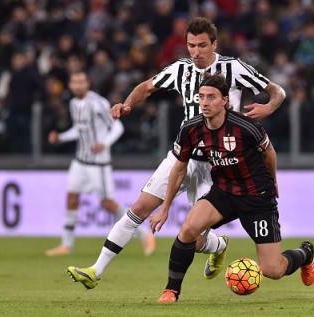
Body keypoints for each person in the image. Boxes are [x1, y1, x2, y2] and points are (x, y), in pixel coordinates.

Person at [66, 17, 285, 290]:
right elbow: (146, 87)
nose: (195, 52)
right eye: (191, 45)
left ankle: (217, 246)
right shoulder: (180, 69)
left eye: (202, 45)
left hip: (219, 164)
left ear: (214, 44)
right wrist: (127, 104)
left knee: (194, 237)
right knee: (139, 208)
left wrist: (269, 107)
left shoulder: (234, 68)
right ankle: (95, 271)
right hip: (183, 154)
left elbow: (277, 91)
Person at [150, 74, 314, 303]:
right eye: (201, 97)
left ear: (225, 101)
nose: (205, 102)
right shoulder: (191, 129)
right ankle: (171, 291)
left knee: (272, 269)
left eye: (211, 97)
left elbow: (269, 153)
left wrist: (273, 180)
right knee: (188, 230)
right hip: (224, 191)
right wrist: (165, 207)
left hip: (256, 196)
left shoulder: (246, 127)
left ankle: (305, 254)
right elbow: (179, 169)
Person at [45, 71, 155, 257]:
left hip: (99, 164)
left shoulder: (98, 104)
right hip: (80, 161)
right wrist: (61, 138)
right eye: (74, 82)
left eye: (81, 81)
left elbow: (118, 127)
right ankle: (66, 244)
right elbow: (79, 130)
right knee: (72, 198)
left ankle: (145, 235)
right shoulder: (73, 103)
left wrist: (104, 143)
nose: (78, 85)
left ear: (88, 83)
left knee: (107, 203)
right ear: (70, 85)